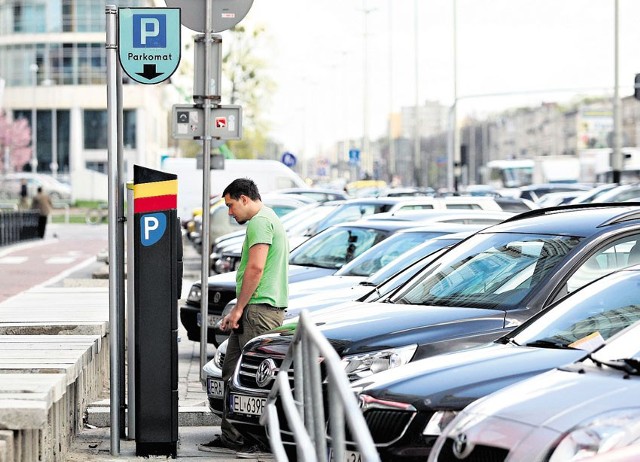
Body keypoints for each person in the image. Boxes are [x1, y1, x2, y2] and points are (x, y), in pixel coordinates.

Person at [199, 178, 289, 456]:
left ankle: (259, 442)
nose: (229, 212)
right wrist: (239, 309)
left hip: (260, 311)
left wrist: (239, 309)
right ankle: (233, 438)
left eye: (230, 205)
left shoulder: (261, 222)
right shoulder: (265, 219)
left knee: (255, 379)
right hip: (253, 309)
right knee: (233, 373)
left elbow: (256, 268)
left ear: (245, 199)